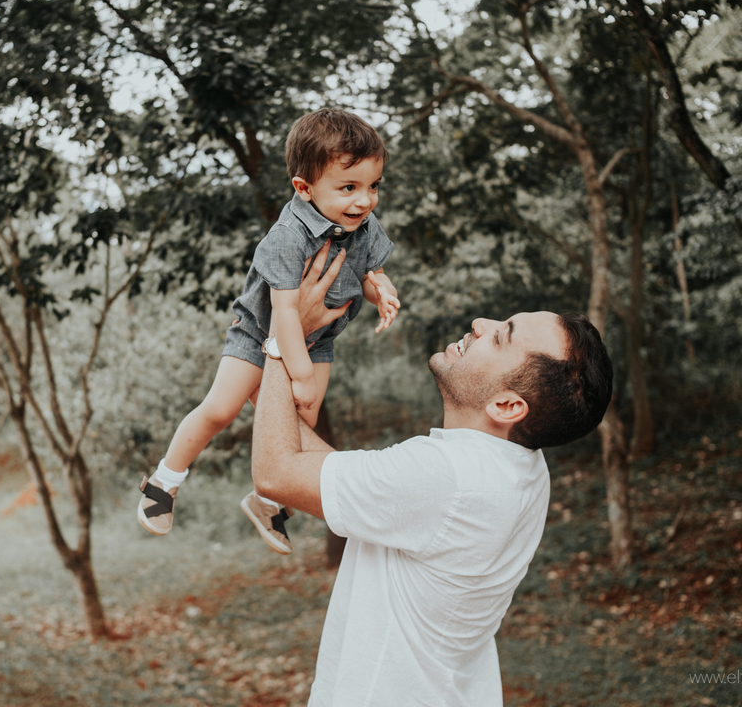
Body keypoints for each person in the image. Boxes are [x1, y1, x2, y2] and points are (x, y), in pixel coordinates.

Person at [251, 243, 613, 706]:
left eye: (500, 337)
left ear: (507, 405)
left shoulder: (446, 477)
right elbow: (341, 483)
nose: (480, 324)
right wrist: (273, 405)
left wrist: (283, 333)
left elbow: (275, 475)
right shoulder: (523, 468)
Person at [137, 109, 402, 554]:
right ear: (304, 188)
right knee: (221, 409)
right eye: (349, 188)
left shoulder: (363, 225)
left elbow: (369, 273)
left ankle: (266, 500)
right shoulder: (287, 236)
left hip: (317, 340)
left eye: (373, 186)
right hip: (257, 333)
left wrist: (384, 291)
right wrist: (299, 373)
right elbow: (284, 310)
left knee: (298, 427)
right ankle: (164, 481)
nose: (365, 200)